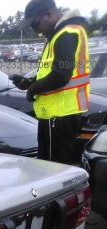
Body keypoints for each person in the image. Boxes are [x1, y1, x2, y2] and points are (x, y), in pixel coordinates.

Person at [12, 0, 91, 164]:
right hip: (55, 116)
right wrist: (28, 82)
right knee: (49, 166)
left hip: (59, 116)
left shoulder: (66, 34)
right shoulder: (56, 35)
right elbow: (50, 71)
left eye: (35, 24)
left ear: (47, 15)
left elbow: (61, 75)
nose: (35, 30)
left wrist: (34, 88)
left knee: (53, 169)